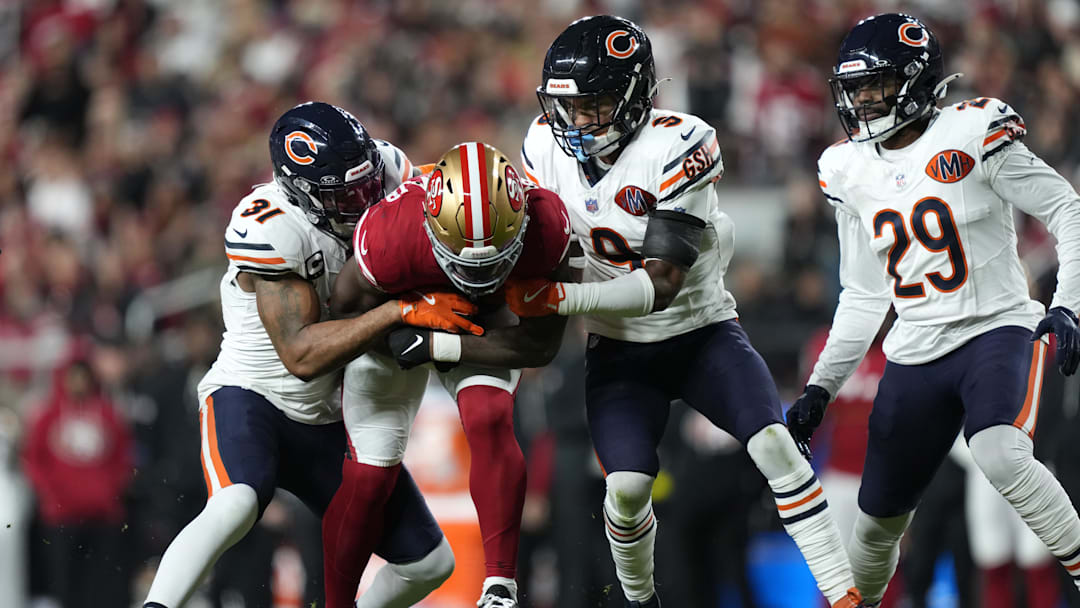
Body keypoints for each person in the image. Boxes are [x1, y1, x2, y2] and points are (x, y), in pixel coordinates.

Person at [504, 15, 864, 608]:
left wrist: (559, 298)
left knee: (775, 445)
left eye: (593, 104)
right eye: (568, 105)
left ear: (635, 97)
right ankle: (641, 599)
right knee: (624, 490)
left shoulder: (679, 142)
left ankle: (842, 593)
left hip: (700, 333)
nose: (576, 121)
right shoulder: (543, 143)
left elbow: (660, 285)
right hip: (619, 347)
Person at [784, 13, 1080, 607]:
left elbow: (1066, 208)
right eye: (855, 89)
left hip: (996, 328)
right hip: (916, 349)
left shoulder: (973, 133)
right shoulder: (848, 169)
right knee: (873, 531)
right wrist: (821, 386)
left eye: (875, 86)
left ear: (916, 82)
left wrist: (1067, 303)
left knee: (1000, 454)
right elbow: (864, 295)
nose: (862, 101)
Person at [141, 101, 475, 608]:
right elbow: (300, 355)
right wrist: (398, 312)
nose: (366, 201)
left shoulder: (387, 169)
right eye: (346, 195)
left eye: (367, 185)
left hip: (328, 418)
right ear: (302, 192)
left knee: (430, 565)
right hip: (254, 395)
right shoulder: (273, 227)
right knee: (236, 504)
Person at [325, 140, 573, 608]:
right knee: (370, 475)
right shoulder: (390, 235)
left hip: (486, 323)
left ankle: (500, 585)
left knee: (488, 415)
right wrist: (405, 315)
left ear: (521, 225)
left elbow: (540, 345)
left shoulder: (548, 226)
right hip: (403, 310)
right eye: (460, 259)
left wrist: (439, 342)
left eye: (494, 260)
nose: (474, 275)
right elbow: (346, 318)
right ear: (429, 226)